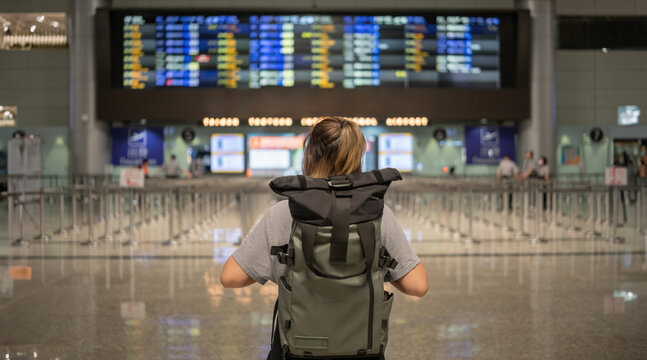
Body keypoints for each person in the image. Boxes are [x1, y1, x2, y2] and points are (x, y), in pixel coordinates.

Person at [220, 117, 428, 360]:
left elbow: (229, 277)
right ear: (358, 160)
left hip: (296, 349)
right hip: (361, 349)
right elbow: (418, 286)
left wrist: (284, 271)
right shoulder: (377, 214)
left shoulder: (286, 212)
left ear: (309, 156)